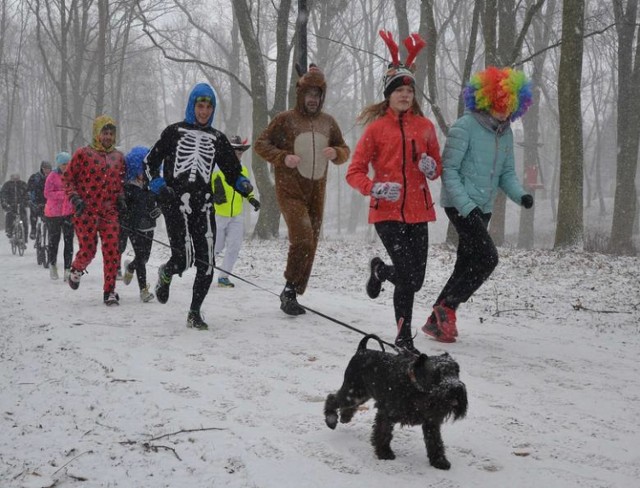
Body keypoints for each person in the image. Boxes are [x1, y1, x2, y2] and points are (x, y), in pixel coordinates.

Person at [422, 66, 534, 343]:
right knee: (488, 258)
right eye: (499, 104)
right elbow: (449, 172)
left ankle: (435, 322)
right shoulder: (465, 126)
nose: (504, 112)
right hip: (460, 205)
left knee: (466, 264)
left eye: (509, 107)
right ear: (486, 100)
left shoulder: (505, 134)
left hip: (482, 206)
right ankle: (448, 307)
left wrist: (521, 195)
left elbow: (506, 174)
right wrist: (465, 205)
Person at [346, 31, 440, 353]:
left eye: (409, 90)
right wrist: (375, 188)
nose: (405, 95)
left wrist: (431, 168)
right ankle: (403, 338)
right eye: (399, 90)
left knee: (414, 280)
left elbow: (437, 166)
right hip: (387, 213)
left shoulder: (425, 127)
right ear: (389, 94)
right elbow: (354, 171)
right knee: (407, 274)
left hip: (419, 210)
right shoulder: (376, 130)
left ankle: (380, 270)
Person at [145, 82, 254, 330]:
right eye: (200, 105)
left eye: (208, 106)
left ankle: (194, 313)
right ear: (192, 105)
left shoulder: (217, 139)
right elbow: (149, 162)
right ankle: (166, 272)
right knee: (183, 259)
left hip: (203, 205)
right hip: (175, 203)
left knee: (206, 262)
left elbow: (231, 170)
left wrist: (242, 183)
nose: (204, 111)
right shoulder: (173, 132)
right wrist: (159, 186)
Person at [254, 64, 350, 316]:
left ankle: (293, 292)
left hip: (316, 190)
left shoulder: (328, 123)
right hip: (290, 189)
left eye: (317, 95)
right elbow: (260, 144)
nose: (312, 99)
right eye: (308, 94)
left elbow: (344, 150)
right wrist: (282, 157)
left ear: (322, 97)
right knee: (303, 237)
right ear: (300, 95)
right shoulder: (285, 120)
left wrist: (336, 152)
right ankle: (288, 289)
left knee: (311, 242)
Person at [64, 115, 126, 306]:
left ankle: (110, 291)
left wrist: (121, 198)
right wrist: (75, 198)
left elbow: (120, 183)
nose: (107, 137)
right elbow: (67, 179)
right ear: (97, 133)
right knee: (89, 249)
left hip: (109, 212)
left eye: (110, 133)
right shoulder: (83, 154)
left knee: (112, 251)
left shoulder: (118, 157)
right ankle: (76, 269)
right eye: (104, 133)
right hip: (86, 210)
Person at [211, 136, 261, 288]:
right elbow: (205, 186)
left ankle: (223, 277)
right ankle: (204, 270)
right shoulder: (216, 168)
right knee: (216, 247)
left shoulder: (243, 170)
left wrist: (252, 199)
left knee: (234, 247)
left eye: (240, 151)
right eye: (235, 151)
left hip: (236, 215)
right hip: (219, 214)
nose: (238, 154)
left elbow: (247, 188)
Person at [120, 146, 159, 302]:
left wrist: (159, 209)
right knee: (141, 257)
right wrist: (127, 220)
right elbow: (124, 209)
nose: (143, 173)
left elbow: (160, 202)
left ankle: (130, 267)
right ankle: (143, 290)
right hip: (134, 226)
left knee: (145, 257)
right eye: (141, 169)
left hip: (149, 225)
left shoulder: (153, 185)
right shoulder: (128, 187)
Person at [44, 152, 75, 281]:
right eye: (63, 164)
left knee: (69, 242)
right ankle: (52, 264)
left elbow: (75, 190)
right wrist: (64, 194)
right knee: (54, 241)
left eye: (68, 163)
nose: (65, 166)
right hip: (53, 214)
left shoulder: (73, 175)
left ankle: (67, 269)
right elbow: (47, 193)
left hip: (68, 213)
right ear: (59, 164)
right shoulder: (52, 176)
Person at [27, 160, 52, 240]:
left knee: (49, 219)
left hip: (48, 202)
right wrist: (30, 200)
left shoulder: (53, 177)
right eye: (45, 168)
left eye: (48, 169)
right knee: (33, 215)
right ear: (41, 168)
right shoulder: (34, 177)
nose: (47, 170)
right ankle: (33, 230)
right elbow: (30, 190)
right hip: (36, 201)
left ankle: (50, 234)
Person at [1, 173, 29, 242]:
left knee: (24, 221)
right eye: (14, 177)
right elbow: (3, 195)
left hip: (21, 206)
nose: (15, 178)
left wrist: (26, 202)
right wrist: (5, 203)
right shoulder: (7, 185)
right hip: (11, 206)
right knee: (10, 216)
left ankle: (24, 238)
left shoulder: (23, 184)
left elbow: (28, 194)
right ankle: (9, 231)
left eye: (17, 177)